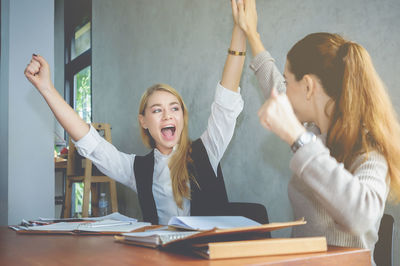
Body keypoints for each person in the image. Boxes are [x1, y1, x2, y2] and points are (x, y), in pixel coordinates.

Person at [24, 0, 248, 225]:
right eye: (157, 110)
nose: (168, 115)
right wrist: (46, 88)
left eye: (174, 108)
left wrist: (240, 29)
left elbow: (225, 102)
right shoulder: (137, 169)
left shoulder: (207, 150)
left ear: (182, 116)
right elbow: (90, 142)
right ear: (144, 121)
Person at [236, 0, 400, 264]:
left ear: (309, 87)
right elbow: (274, 85)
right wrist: (251, 33)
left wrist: (298, 139)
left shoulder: (369, 147)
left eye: (289, 83)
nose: (283, 90)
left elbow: (361, 216)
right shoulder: (312, 129)